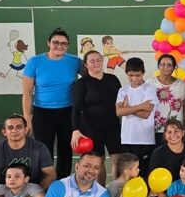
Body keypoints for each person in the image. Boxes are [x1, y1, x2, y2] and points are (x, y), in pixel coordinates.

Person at [22, 28, 82, 177]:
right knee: (44, 150)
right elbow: (27, 93)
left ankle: (62, 184)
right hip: (42, 113)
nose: (59, 46)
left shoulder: (74, 61)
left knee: (65, 150)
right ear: (48, 43)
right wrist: (27, 119)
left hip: (67, 112)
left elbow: (91, 78)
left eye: (64, 43)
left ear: (67, 45)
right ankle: (45, 184)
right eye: (56, 42)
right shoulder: (35, 62)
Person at [71, 50, 122, 185]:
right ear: (86, 65)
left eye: (98, 60)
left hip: (113, 126)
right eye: (92, 61)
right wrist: (75, 130)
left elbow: (122, 102)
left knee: (117, 159)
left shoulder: (113, 79)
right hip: (91, 128)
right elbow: (76, 108)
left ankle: (115, 192)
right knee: (98, 162)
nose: (96, 63)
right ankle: (100, 193)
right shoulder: (82, 84)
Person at [0, 114, 55, 189]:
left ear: (26, 130)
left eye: (19, 127)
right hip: (6, 192)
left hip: (34, 192)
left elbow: (51, 175)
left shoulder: (40, 148)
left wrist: (33, 196)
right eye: (10, 128)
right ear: (4, 132)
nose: (14, 130)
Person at [115, 57, 157, 176]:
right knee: (128, 173)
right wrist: (141, 106)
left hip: (145, 139)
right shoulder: (123, 90)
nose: (134, 79)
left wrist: (127, 108)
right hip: (127, 138)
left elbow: (145, 114)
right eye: (130, 75)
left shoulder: (149, 89)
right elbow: (119, 112)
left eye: (137, 75)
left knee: (143, 172)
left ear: (143, 73)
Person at [150, 54, 185, 143]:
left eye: (169, 65)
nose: (165, 67)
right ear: (158, 66)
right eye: (162, 64)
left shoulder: (181, 84)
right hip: (156, 129)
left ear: (174, 67)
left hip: (176, 130)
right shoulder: (150, 83)